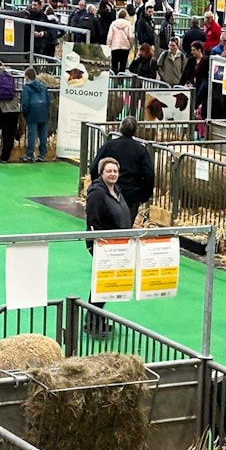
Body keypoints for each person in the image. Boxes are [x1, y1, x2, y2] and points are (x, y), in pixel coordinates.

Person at [85, 157, 132, 337]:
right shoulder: (97, 194)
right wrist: (100, 243)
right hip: (104, 246)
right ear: (101, 173)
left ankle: (96, 319)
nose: (112, 174)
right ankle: (92, 323)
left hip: (117, 245)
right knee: (102, 284)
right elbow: (93, 221)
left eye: (115, 171)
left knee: (105, 284)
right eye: (109, 171)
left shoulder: (116, 191)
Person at [89, 116, 154, 223]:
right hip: (131, 194)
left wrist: (97, 187)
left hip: (108, 191)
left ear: (120, 129)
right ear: (135, 131)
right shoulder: (141, 150)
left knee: (106, 224)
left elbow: (94, 168)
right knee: (126, 226)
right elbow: (149, 175)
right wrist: (143, 196)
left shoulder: (108, 146)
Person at [20, 66, 49, 162]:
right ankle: (42, 154)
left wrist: (24, 112)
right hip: (43, 111)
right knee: (43, 135)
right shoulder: (43, 87)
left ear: (26, 77)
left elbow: (25, 102)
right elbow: (48, 101)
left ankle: (30, 154)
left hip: (32, 111)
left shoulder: (26, 88)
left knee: (32, 134)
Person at [106, 9, 134, 75]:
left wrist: (108, 45)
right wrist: (131, 45)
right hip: (125, 47)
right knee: (123, 66)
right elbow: (131, 36)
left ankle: (114, 79)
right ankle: (121, 79)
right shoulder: (128, 24)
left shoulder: (113, 24)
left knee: (114, 65)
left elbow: (109, 37)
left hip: (115, 47)